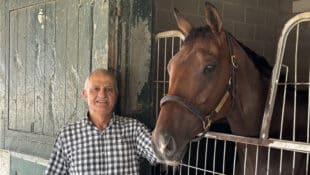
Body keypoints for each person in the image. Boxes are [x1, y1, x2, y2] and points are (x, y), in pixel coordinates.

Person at [45, 68, 156, 175]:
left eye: (109, 89)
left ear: (116, 95)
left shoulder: (133, 129)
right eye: (96, 89)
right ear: (85, 94)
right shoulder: (67, 136)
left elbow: (159, 153)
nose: (102, 94)